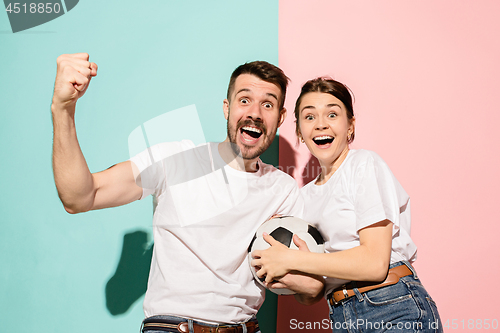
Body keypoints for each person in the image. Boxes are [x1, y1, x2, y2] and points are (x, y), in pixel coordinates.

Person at [51, 53, 324, 333]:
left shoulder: (284, 190)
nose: (254, 112)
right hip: (172, 328)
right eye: (244, 100)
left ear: (280, 118)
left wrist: (299, 274)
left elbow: (310, 291)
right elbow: (80, 197)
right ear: (226, 108)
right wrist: (63, 109)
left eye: (267, 104)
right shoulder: (175, 158)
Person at [251, 77, 443, 332]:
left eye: (332, 114)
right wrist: (281, 271)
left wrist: (291, 259)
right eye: (309, 117)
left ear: (350, 126)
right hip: (342, 315)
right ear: (299, 132)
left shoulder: (363, 164)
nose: (321, 124)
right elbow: (312, 294)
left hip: (392, 305)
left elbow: (374, 263)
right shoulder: (303, 199)